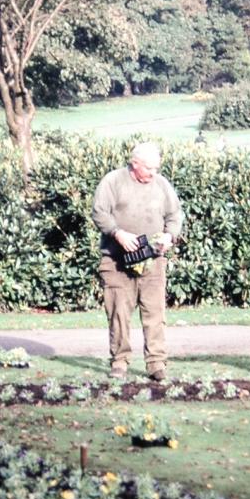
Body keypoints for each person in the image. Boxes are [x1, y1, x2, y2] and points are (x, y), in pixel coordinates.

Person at [91, 142, 183, 382]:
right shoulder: (113, 181)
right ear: (135, 164)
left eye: (156, 168)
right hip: (116, 261)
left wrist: (169, 236)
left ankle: (156, 364)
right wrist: (117, 233)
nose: (153, 173)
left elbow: (175, 215)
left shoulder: (162, 185)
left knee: (155, 313)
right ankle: (119, 362)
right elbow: (100, 212)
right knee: (119, 313)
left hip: (153, 261)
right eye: (149, 169)